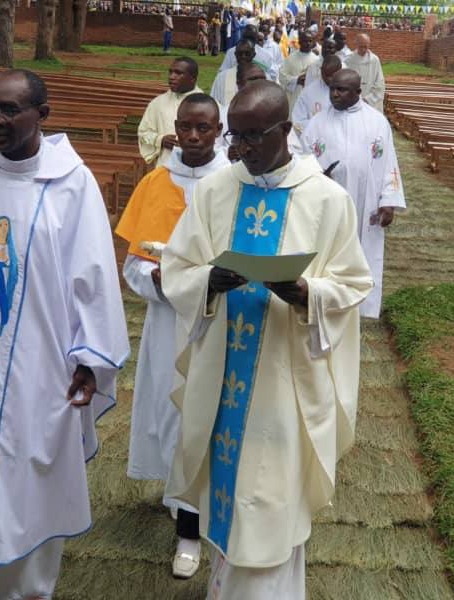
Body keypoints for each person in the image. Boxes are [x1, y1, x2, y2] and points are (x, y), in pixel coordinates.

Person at [0, 69, 130, 600]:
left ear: (43, 114)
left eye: (9, 110)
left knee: (34, 465)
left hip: (42, 361)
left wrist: (91, 361)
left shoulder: (71, 183)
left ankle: (30, 588)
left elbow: (95, 276)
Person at [161, 80, 373, 599]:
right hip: (222, 374)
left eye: (255, 136)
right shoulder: (215, 189)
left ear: (286, 130)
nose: (243, 148)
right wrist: (208, 281)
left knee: (272, 505)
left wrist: (305, 293)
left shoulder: (326, 199)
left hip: (285, 380)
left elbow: (351, 284)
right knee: (228, 499)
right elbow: (178, 265)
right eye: (237, 136)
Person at [117, 94, 229, 581]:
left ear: (219, 129)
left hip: (220, 321)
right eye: (186, 128)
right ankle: (181, 502)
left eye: (204, 129)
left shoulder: (234, 186)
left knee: (211, 418)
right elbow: (134, 264)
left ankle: (195, 524)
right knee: (172, 413)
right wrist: (155, 281)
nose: (194, 137)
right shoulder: (154, 183)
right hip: (169, 322)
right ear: (176, 129)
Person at [302, 69, 405, 318]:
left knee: (363, 249)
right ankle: (325, 299)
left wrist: (388, 202)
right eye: (332, 88)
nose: (334, 94)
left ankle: (363, 306)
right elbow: (302, 157)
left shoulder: (377, 121)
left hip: (365, 199)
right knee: (328, 249)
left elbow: (388, 161)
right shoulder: (317, 122)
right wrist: (314, 175)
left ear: (358, 92)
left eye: (342, 90)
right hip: (327, 199)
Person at [138, 57, 202, 167]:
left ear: (193, 78)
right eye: (170, 72)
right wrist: (161, 140)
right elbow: (143, 133)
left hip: (198, 168)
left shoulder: (207, 105)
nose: (171, 77)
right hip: (166, 167)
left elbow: (218, 141)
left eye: (178, 73)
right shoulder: (157, 103)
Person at [217, 62, 268, 160]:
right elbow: (211, 147)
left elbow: (293, 147)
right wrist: (227, 152)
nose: (259, 84)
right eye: (253, 79)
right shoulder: (223, 114)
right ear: (239, 84)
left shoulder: (274, 112)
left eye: (262, 79)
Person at [291, 54, 341, 137]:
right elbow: (298, 120)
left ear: (340, 70)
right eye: (326, 75)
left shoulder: (348, 90)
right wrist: (320, 128)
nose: (329, 79)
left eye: (332, 75)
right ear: (321, 70)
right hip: (315, 141)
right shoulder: (308, 92)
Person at [278, 29, 320, 111]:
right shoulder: (290, 59)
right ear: (299, 42)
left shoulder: (316, 60)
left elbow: (319, 80)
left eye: (310, 41)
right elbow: (282, 76)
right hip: (294, 96)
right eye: (305, 41)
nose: (308, 43)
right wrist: (296, 80)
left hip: (310, 97)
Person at [210, 39, 260, 106]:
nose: (243, 56)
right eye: (240, 54)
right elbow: (214, 103)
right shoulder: (222, 77)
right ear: (235, 55)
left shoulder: (262, 77)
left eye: (247, 53)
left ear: (253, 54)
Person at [344, 34, 385, 112]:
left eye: (365, 47)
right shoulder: (348, 61)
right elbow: (345, 82)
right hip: (353, 102)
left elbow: (380, 82)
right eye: (360, 47)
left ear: (369, 45)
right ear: (356, 44)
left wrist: (368, 99)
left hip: (371, 103)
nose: (363, 50)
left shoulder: (374, 60)